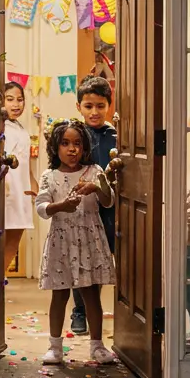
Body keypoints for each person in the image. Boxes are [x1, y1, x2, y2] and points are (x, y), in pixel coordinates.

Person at [35, 118, 115, 365]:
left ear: (85, 147)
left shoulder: (95, 172)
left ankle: (97, 346)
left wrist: (96, 188)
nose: (72, 149)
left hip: (89, 239)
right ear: (55, 147)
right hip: (62, 241)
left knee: (91, 294)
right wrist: (61, 206)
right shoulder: (50, 176)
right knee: (59, 295)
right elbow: (41, 207)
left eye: (78, 144)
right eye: (66, 143)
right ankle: (55, 346)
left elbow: (108, 201)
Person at [70, 75, 117, 335]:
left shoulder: (116, 136)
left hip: (108, 209)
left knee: (101, 259)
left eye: (100, 105)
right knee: (81, 260)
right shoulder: (72, 135)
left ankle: (93, 308)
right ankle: (79, 311)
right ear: (79, 107)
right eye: (88, 106)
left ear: (109, 105)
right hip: (81, 210)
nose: (94, 112)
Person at [3, 80, 38, 273]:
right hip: (9, 190)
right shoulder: (1, 128)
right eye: (10, 99)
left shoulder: (20, 127)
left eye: (20, 100)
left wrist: (33, 182)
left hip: (22, 189)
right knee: (4, 237)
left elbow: (25, 162)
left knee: (15, 238)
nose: (16, 105)